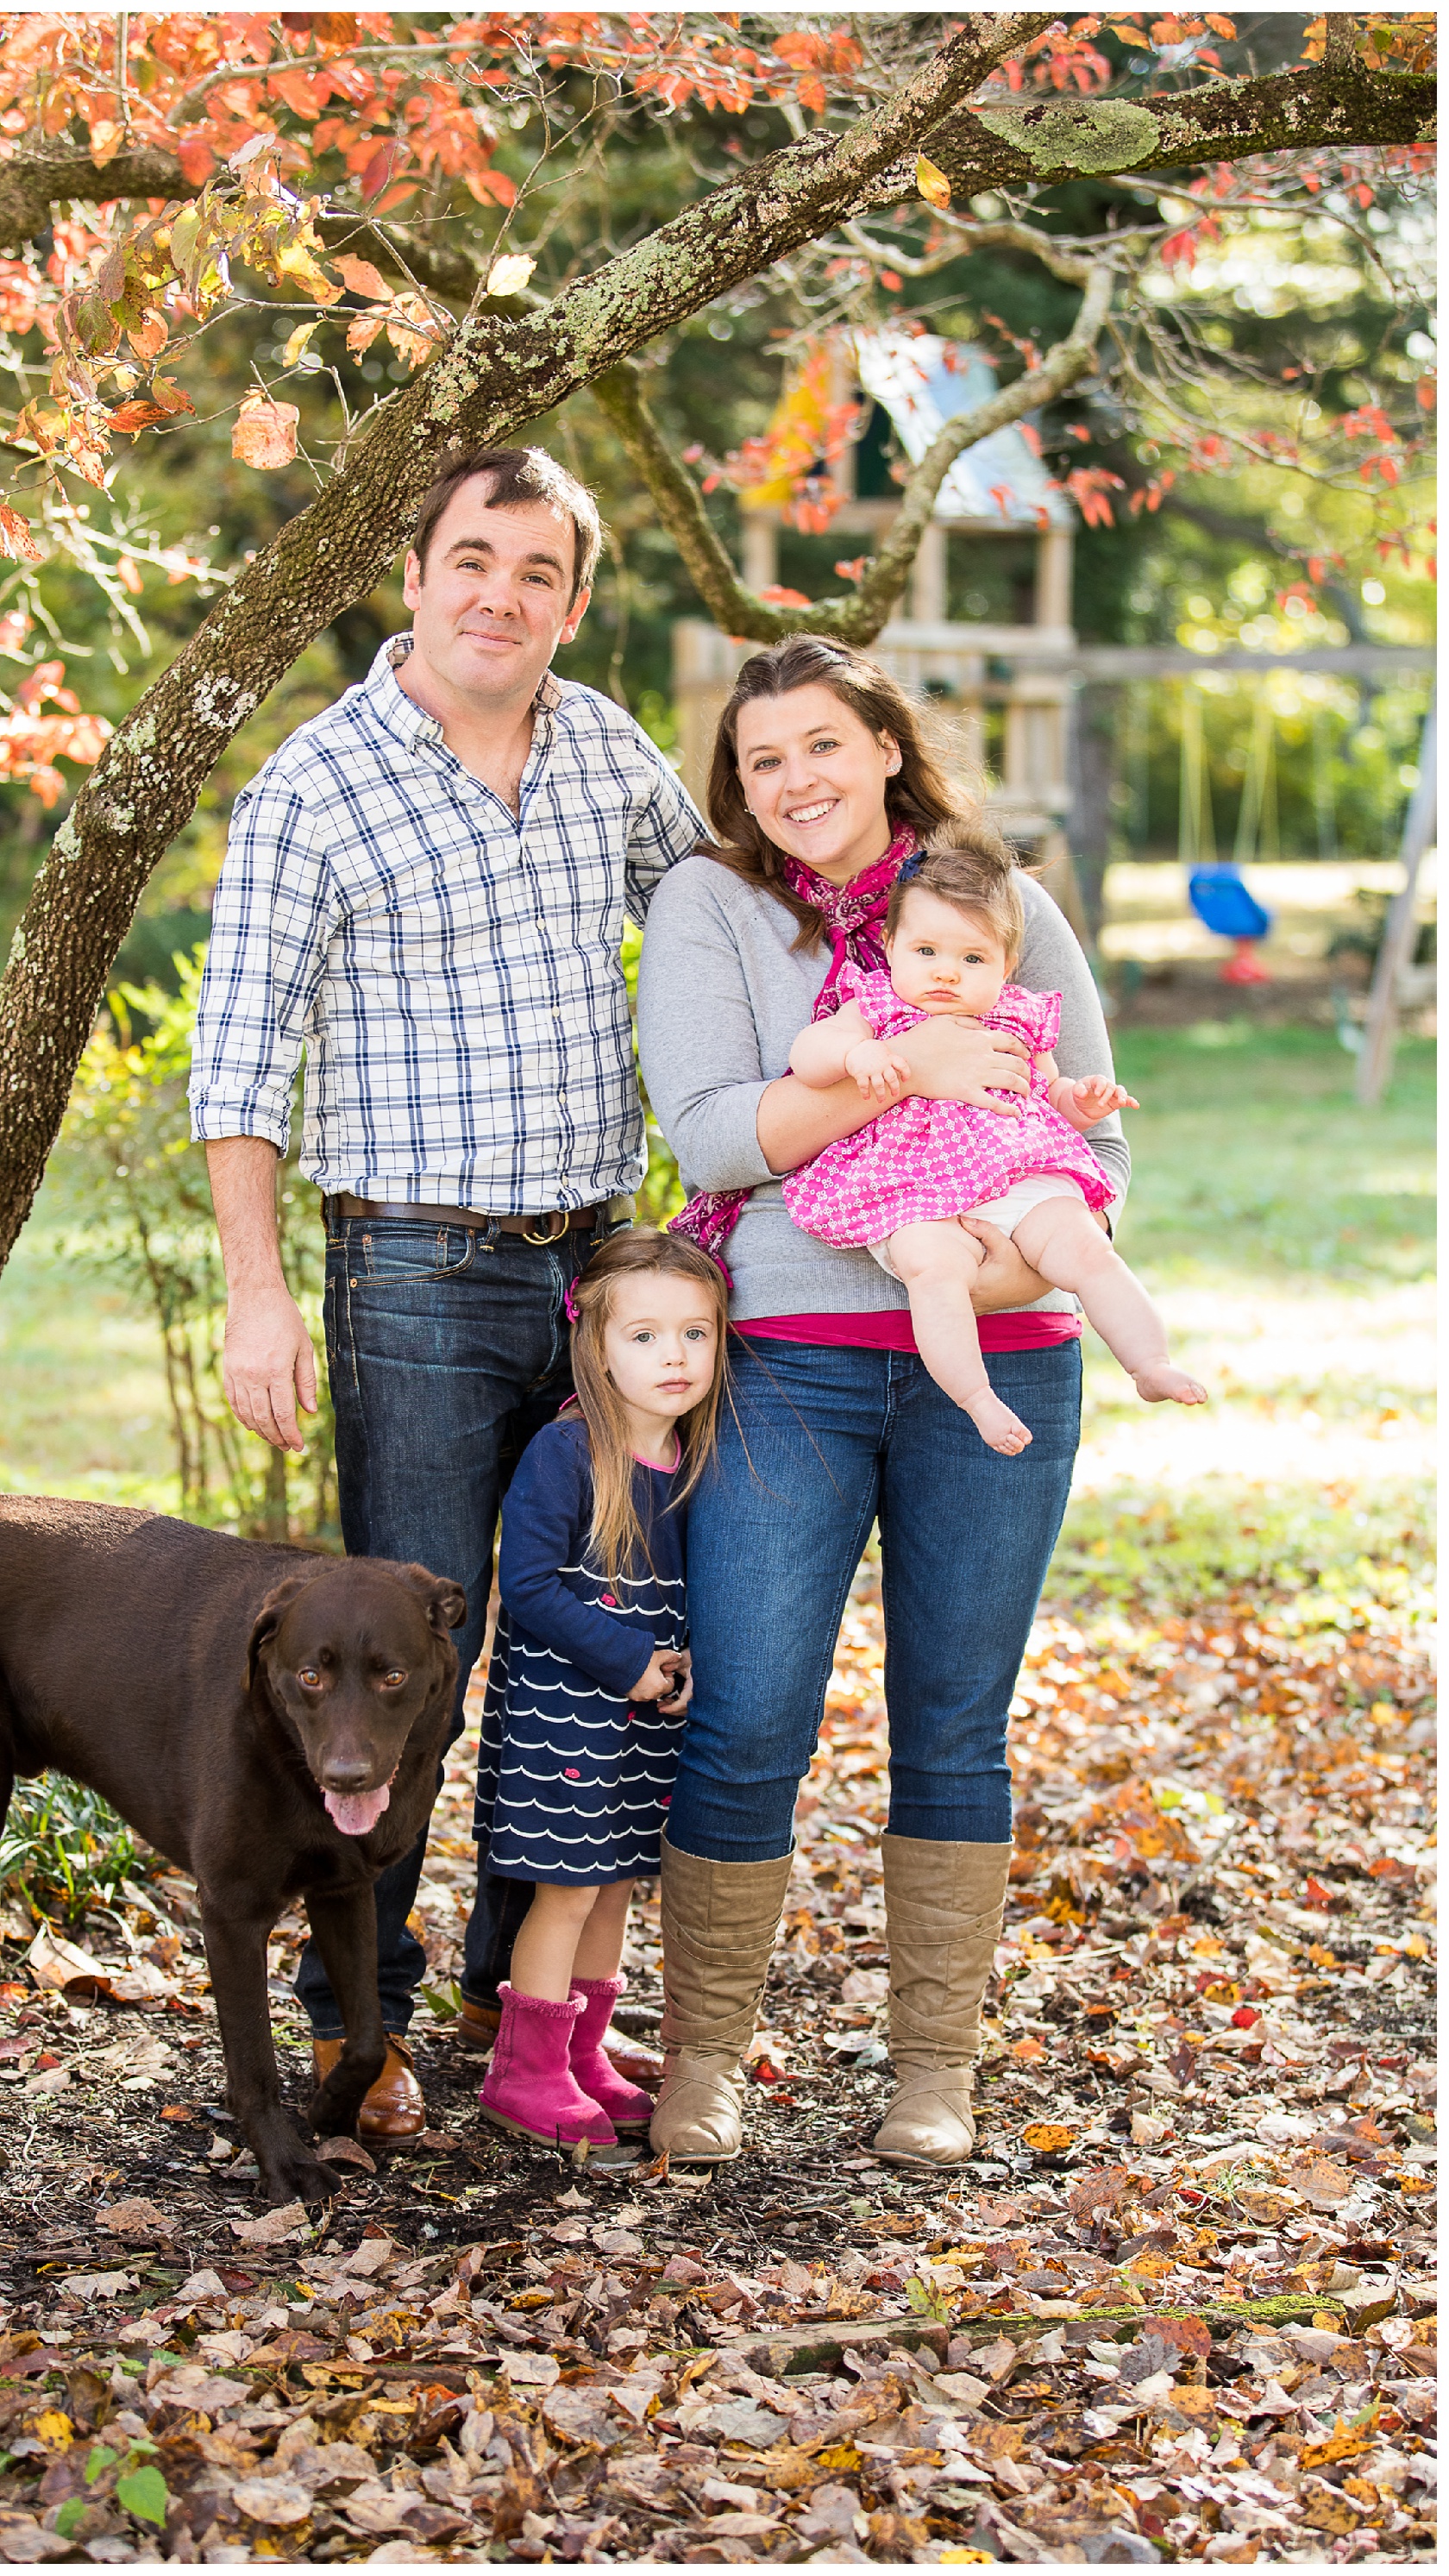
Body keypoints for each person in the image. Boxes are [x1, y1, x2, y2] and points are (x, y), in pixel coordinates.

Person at [189, 447, 701, 2139]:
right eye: (471, 558)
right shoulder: (318, 782)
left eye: (537, 569)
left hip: (593, 1272)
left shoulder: (610, 750)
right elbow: (241, 1053)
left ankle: (527, 1997)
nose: (501, 592)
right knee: (407, 1661)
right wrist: (259, 1293)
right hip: (410, 1263)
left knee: (588, 1628)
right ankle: (367, 2029)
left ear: (570, 598)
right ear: (410, 576)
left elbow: (712, 935)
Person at [637, 634, 1131, 2170]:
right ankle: (704, 2060)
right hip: (790, 1363)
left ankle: (934, 2073)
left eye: (824, 746)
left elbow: (1097, 1159)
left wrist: (966, 1275)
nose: (796, 781)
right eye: (764, 757)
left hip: (1003, 1350)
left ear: (886, 749)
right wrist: (910, 1065)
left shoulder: (1004, 903)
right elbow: (720, 1138)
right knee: (750, 1708)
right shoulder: (713, 905)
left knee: (954, 1725)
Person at [787, 839, 1206, 1454]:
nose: (946, 972)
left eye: (973, 958)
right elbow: (808, 1057)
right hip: (910, 1189)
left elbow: (1051, 1087)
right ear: (893, 949)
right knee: (935, 1273)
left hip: (1018, 1174)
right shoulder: (875, 1007)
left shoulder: (1019, 1016)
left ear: (1007, 966)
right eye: (926, 951)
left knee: (1086, 1251)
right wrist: (859, 1053)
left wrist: (1080, 1101)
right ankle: (976, 1397)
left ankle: (1149, 1362)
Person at [474, 1229, 727, 2147]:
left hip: (641, 1723)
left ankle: (581, 2053)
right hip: (563, 1721)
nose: (673, 1356)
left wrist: (686, 1659)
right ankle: (522, 2069)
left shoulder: (697, 1456)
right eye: (645, 1336)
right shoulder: (567, 1453)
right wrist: (629, 1661)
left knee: (615, 1884)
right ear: (596, 1345)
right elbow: (530, 1588)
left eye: (694, 1335)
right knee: (567, 1891)